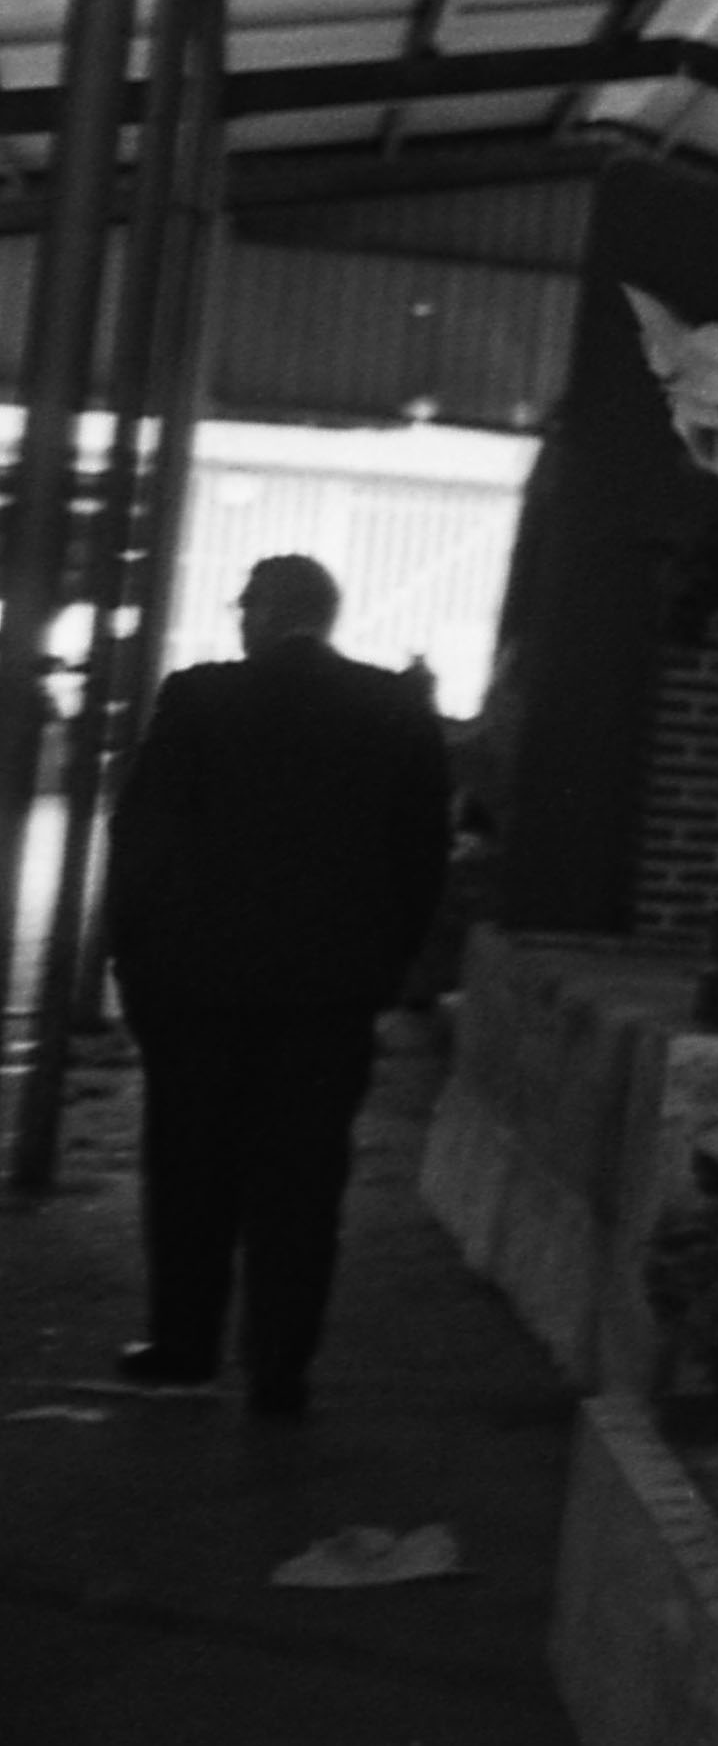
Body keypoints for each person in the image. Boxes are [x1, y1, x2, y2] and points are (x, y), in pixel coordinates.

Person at [107, 553, 462, 1416]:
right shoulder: (393, 708)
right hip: (328, 996)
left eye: (245, 607)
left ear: (262, 613)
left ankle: (185, 1345)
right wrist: (386, 967)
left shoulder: (197, 697)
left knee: (191, 1167)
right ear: (327, 617)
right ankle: (279, 1369)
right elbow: (423, 856)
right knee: (302, 1181)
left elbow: (142, 839)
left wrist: (130, 959)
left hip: (196, 987)